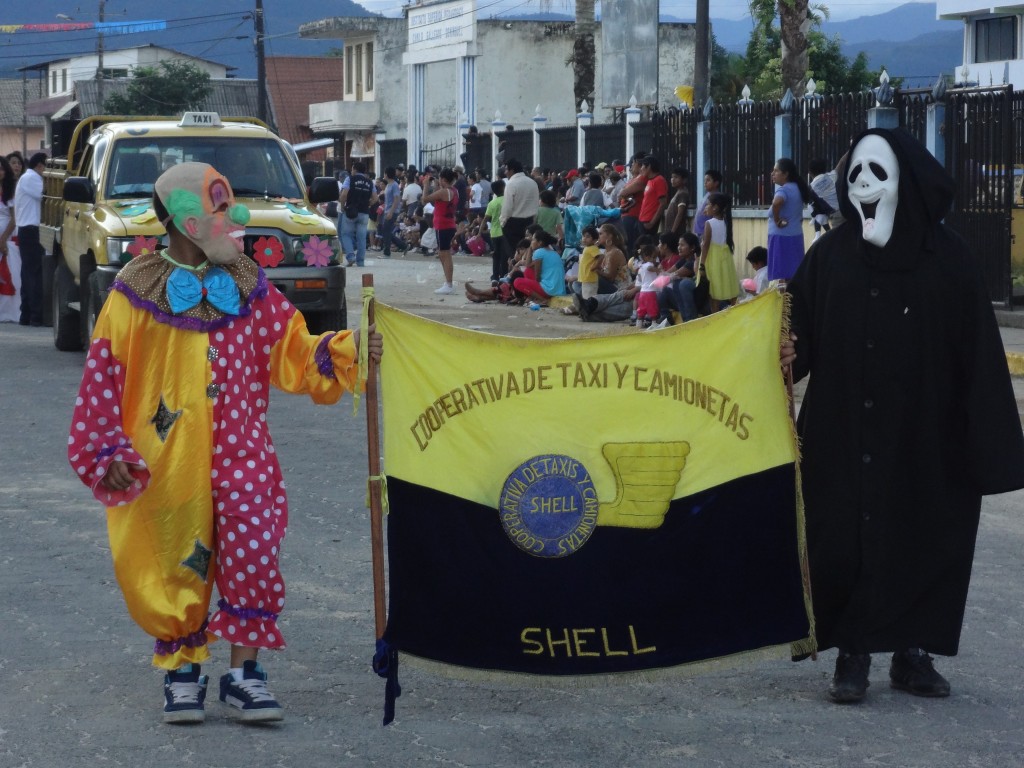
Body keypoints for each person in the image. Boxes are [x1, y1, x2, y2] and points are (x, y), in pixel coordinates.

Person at [66, 162, 383, 725]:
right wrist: (105, 449)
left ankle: (245, 675)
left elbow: (291, 349)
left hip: (245, 456)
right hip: (167, 460)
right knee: (173, 558)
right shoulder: (135, 289)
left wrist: (350, 349)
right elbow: (104, 373)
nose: (234, 218)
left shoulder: (247, 283)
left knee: (254, 553)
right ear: (186, 222)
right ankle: (184, 670)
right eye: (220, 207)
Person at [782, 127, 1024, 705]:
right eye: (854, 175)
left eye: (877, 173)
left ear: (908, 184)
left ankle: (913, 653)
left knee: (923, 534)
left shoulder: (951, 261)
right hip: (841, 428)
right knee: (843, 537)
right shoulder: (830, 257)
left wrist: (986, 445)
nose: (861, 185)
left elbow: (981, 357)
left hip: (926, 434)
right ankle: (853, 652)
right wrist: (786, 347)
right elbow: (799, 335)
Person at [14, 151, 46, 326]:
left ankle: (26, 314)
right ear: (40, 166)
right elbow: (46, 194)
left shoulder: (27, 178)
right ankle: (35, 314)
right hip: (31, 230)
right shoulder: (31, 178)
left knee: (28, 272)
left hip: (27, 230)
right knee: (33, 273)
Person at [767, 157, 811, 281]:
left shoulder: (783, 189)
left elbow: (777, 202)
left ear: (785, 174)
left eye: (776, 171)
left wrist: (776, 220)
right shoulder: (798, 188)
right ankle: (793, 299)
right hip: (795, 235)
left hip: (781, 238)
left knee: (781, 276)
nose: (772, 174)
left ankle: (783, 300)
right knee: (793, 274)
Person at [651, 231, 701, 328]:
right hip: (683, 300)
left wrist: (660, 274)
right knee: (664, 290)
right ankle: (666, 318)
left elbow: (673, 275)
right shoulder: (683, 260)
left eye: (682, 245)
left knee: (677, 283)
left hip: (695, 299)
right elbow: (667, 273)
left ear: (692, 248)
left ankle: (688, 319)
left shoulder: (692, 262)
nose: (679, 247)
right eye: (679, 245)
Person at [700, 192, 739, 310]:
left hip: (713, 258)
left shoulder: (709, 223)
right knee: (729, 285)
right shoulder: (727, 222)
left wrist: (702, 265)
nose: (705, 207)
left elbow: (706, 245)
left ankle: (715, 316)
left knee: (714, 290)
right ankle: (734, 310)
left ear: (715, 207)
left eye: (708, 205)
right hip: (726, 257)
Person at [424, 167, 459, 294]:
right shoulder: (453, 191)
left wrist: (426, 185)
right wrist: (436, 186)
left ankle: (448, 284)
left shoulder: (444, 192)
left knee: (444, 254)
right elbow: (437, 200)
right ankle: (447, 282)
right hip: (449, 224)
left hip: (443, 225)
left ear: (443, 179)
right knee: (444, 253)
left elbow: (425, 199)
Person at [338, 161, 377, 267]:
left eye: (352, 169)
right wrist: (368, 204)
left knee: (345, 234)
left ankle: (350, 256)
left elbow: (343, 195)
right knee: (361, 237)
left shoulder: (350, 179)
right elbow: (375, 198)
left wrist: (342, 206)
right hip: (364, 213)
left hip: (351, 211)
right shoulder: (369, 182)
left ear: (354, 169)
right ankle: (360, 261)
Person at [512, 229, 565, 306]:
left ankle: (543, 300)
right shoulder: (553, 252)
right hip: (558, 289)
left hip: (549, 290)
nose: (531, 242)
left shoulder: (539, 252)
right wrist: (530, 248)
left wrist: (529, 249)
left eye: (533, 240)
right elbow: (528, 266)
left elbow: (537, 276)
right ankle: (534, 298)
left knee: (517, 282)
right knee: (528, 271)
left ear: (539, 243)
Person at [500, 158, 540, 255]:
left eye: (506, 169)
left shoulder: (511, 184)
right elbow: (536, 203)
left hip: (513, 222)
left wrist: (503, 221)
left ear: (512, 170)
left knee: (513, 252)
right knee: (527, 252)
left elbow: (507, 207)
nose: (505, 172)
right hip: (530, 221)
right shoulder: (533, 182)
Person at [0, 156, 21, 322]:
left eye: (1, 169)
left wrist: (3, 238)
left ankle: (9, 313)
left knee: (10, 273)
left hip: (6, 235)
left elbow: (14, 219)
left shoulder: (10, 190)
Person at [378, 166, 407, 258]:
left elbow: (396, 199)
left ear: (386, 174)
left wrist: (391, 211)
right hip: (387, 210)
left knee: (386, 231)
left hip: (392, 211)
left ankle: (387, 252)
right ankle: (404, 246)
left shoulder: (394, 185)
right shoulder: (389, 185)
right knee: (386, 231)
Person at [638, 156, 669, 234]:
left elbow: (663, 203)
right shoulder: (650, 181)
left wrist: (652, 222)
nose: (641, 168)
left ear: (649, 166)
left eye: (642, 166)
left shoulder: (659, 180)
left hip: (649, 221)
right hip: (642, 219)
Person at [633, 243, 660, 328]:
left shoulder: (641, 267)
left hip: (642, 292)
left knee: (642, 308)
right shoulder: (649, 265)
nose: (655, 260)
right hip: (650, 291)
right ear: (647, 257)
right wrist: (658, 270)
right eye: (654, 257)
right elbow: (650, 268)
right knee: (652, 307)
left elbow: (640, 279)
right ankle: (654, 322)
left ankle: (639, 322)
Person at [484, 179, 506, 282]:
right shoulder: (508, 200)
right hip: (505, 232)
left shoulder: (492, 203)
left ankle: (495, 277)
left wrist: (479, 232)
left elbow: (486, 219)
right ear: (503, 188)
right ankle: (503, 275)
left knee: (496, 256)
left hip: (494, 233)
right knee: (504, 255)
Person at [573, 225, 601, 299]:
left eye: (587, 237)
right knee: (585, 296)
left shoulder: (592, 248)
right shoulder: (588, 248)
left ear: (594, 240)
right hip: (586, 278)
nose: (584, 238)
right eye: (583, 236)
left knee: (589, 298)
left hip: (590, 278)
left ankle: (589, 310)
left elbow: (601, 256)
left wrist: (595, 266)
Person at [692, 169, 722, 239]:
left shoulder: (716, 197)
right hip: (698, 233)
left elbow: (716, 217)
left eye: (708, 180)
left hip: (706, 234)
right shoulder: (707, 195)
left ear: (716, 183)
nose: (705, 183)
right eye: (704, 180)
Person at [664, 167, 691, 235]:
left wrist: (672, 232)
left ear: (684, 180)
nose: (673, 180)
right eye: (672, 177)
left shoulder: (682, 193)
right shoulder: (678, 192)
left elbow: (680, 214)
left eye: (676, 177)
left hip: (676, 232)